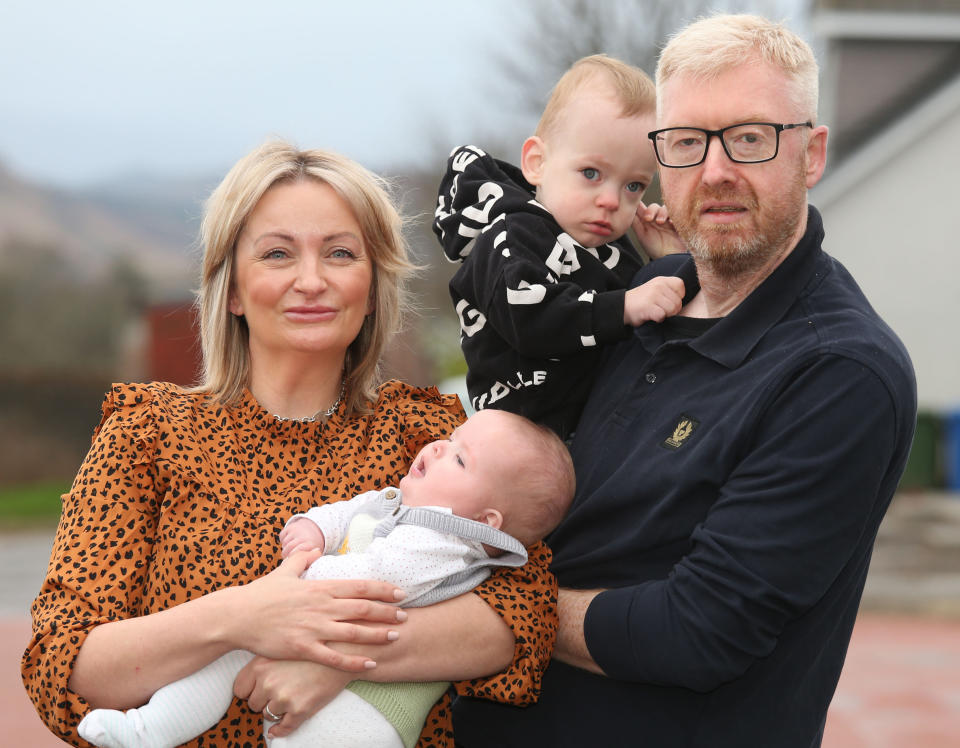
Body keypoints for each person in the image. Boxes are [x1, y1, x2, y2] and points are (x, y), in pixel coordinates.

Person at [451, 14, 918, 747]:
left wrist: (479, 606)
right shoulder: (644, 296)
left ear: (812, 152)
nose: (717, 170)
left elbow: (697, 632)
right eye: (688, 142)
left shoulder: (839, 372)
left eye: (751, 137)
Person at [21, 140, 559, 748]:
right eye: (277, 253)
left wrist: (332, 658)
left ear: (372, 286)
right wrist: (244, 616)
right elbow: (63, 666)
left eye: (340, 253)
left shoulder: (429, 436)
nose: (312, 280)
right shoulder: (146, 434)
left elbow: (528, 613)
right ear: (230, 289)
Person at [77, 407, 575, 748]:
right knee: (224, 658)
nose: (440, 446)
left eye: (461, 457)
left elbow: (521, 612)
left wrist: (305, 605)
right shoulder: (402, 504)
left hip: (370, 709)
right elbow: (350, 511)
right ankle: (149, 729)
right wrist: (313, 527)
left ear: (486, 523)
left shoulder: (445, 542)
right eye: (451, 440)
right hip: (284, 638)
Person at [433, 54, 686, 439]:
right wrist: (627, 304)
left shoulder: (611, 248)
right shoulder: (510, 234)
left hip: (592, 433)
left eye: (633, 185)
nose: (611, 200)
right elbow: (527, 316)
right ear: (537, 162)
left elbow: (648, 335)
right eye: (591, 174)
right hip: (515, 435)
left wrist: (666, 262)